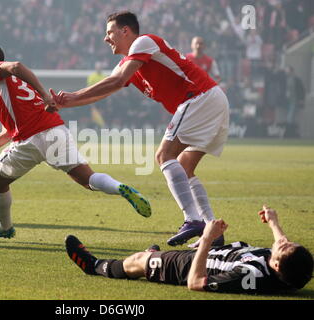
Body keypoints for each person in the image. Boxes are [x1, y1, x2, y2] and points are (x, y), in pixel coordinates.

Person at [50, 12, 230, 247]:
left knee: (164, 156)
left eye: (109, 32)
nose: (106, 39)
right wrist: (66, 103)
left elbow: (115, 81)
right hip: (210, 100)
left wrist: (72, 96)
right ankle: (211, 231)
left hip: (199, 97)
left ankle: (192, 219)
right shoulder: (129, 61)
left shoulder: (143, 42)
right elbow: (106, 90)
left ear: (126, 31)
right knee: (184, 167)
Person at [0, 43, 151, 239]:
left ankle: (4, 227)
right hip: (56, 130)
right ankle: (120, 188)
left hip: (30, 140)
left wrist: (45, 95)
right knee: (87, 179)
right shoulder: (9, 86)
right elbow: (7, 132)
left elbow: (17, 66)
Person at [65, 205, 313, 294]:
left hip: (189, 267)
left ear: (276, 265)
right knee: (153, 256)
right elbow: (288, 256)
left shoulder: (249, 274)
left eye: (285, 246)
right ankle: (154, 256)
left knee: (139, 262)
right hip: (211, 255)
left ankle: (95, 266)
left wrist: (206, 239)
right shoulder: (287, 269)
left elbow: (196, 282)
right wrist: (274, 224)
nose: (283, 241)